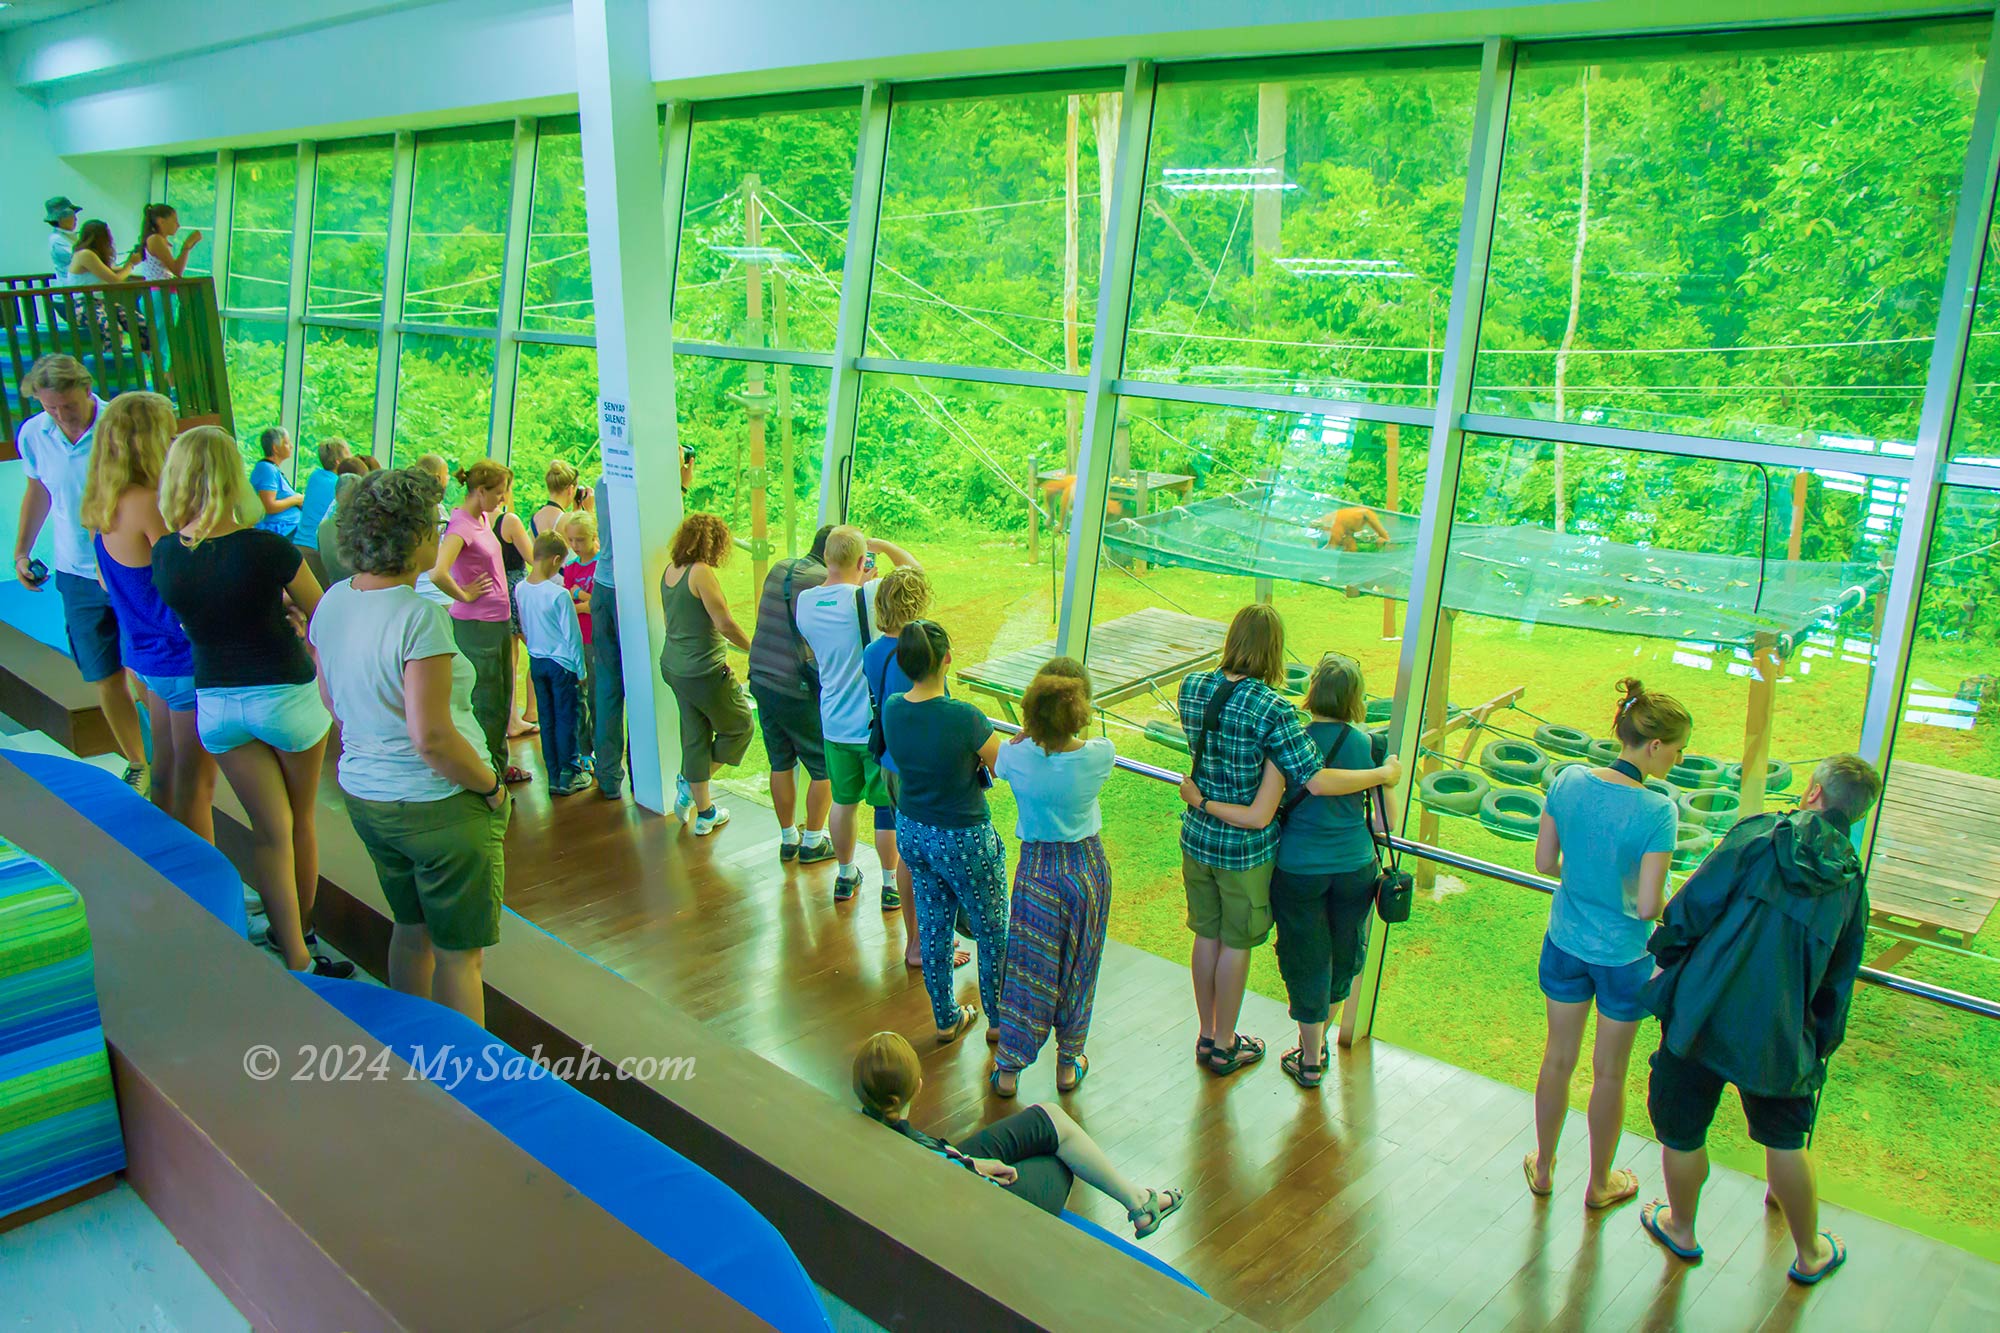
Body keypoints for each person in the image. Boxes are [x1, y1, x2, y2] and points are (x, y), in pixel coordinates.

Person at [1638, 755, 1879, 1286]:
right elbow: (1838, 982)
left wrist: (1668, 957)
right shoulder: (1851, 886)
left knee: (1681, 1128)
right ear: (1857, 815)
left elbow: (1692, 907)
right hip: (1781, 1034)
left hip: (1700, 1011)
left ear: (1813, 792)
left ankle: (1681, 1227)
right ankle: (1810, 1254)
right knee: (1786, 1141)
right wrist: (1816, 1047)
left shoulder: (1759, 835)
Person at [310, 468, 509, 1025]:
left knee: (410, 928)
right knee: (459, 959)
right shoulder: (419, 618)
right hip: (437, 804)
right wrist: (490, 786)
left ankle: (412, 1052)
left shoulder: (332, 603)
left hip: (367, 796)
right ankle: (466, 1082)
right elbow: (433, 737)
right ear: (414, 535)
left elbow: (333, 701)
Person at [151, 426, 346, 978]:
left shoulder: (166, 554)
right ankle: (302, 936)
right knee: (300, 824)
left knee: (268, 830)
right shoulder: (267, 548)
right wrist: (291, 607)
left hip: (216, 702)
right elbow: (325, 614)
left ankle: (295, 957)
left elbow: (208, 608)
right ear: (234, 477)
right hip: (284, 694)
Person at [1176, 605, 1388, 1077]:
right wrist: (1382, 773)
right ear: (1273, 650)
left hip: (1197, 839)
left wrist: (1202, 799)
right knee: (1236, 943)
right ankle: (1226, 1044)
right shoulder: (1273, 710)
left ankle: (1207, 1033)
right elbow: (1314, 778)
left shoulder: (1192, 686)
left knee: (1205, 935)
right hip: (1244, 851)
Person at [1524, 678, 1687, 1210]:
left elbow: (1545, 863)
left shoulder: (1568, 780)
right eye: (1678, 748)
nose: (1679, 760)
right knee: (1609, 1073)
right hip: (1625, 959)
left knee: (1557, 1060)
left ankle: (1544, 1168)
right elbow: (1646, 906)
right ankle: (1599, 1184)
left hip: (1565, 944)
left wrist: (1586, 877)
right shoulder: (1658, 811)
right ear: (1654, 745)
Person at [852, 1031, 1183, 1237]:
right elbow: (937, 1165)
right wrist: (971, 1169)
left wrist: (970, 1163)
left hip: (946, 1176)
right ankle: (1140, 1202)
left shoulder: (865, 1127)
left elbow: (935, 1156)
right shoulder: (916, 1152)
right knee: (1060, 1161)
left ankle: (1138, 1199)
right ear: (918, 1085)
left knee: (1048, 1119)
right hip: (972, 1215)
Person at [78, 391, 216, 842]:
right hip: (180, 657)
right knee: (196, 787)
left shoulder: (105, 501)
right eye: (169, 429)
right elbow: (185, 575)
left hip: (146, 656)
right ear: (149, 441)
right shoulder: (149, 502)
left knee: (165, 774)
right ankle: (200, 894)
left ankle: (167, 867)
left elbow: (106, 583)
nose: (175, 436)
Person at [12, 355, 149, 787]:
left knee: (148, 670)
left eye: (67, 407)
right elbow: (38, 490)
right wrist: (21, 552)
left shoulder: (121, 426)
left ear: (87, 391)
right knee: (102, 673)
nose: (59, 416)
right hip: (75, 572)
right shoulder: (35, 434)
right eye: (50, 408)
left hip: (130, 567)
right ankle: (139, 761)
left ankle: (174, 752)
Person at [990, 658, 1116, 1098]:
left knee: (1027, 967)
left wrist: (1024, 735)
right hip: (1087, 870)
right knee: (1081, 966)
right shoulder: (1101, 755)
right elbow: (1086, 743)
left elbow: (1004, 756)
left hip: (1038, 871)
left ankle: (1009, 1070)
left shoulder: (1015, 757)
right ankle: (1067, 1064)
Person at [881, 620, 1008, 1045]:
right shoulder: (965, 717)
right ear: (947, 659)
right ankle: (998, 1020)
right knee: (992, 929)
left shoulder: (893, 707)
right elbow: (1000, 765)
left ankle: (946, 1018)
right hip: (964, 838)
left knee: (934, 928)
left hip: (914, 831)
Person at [796, 525, 921, 900]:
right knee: (885, 809)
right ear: (861, 559)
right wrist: (880, 545)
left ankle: (845, 876)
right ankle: (889, 885)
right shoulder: (864, 597)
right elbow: (913, 573)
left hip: (832, 722)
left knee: (843, 802)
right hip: (871, 726)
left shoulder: (804, 601)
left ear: (826, 558)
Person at [431, 460, 529, 784]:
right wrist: (464, 594)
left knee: (502, 697)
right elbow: (438, 572)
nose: (502, 500)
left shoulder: (483, 518)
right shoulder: (459, 525)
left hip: (498, 621)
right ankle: (487, 777)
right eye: (498, 493)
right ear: (480, 491)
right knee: (485, 701)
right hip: (477, 626)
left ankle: (499, 766)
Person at [659, 513, 754, 833]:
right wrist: (754, 649)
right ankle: (689, 783)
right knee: (740, 726)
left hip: (674, 667)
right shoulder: (700, 573)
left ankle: (706, 813)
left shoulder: (670, 571)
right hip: (703, 670)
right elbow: (724, 622)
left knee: (695, 737)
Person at [746, 524, 836, 860]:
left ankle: (788, 838)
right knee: (824, 765)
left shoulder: (782, 567)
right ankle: (813, 840)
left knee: (780, 761)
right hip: (794, 685)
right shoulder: (820, 582)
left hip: (761, 676)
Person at [518, 531, 590, 796]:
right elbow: (573, 637)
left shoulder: (521, 588)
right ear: (556, 559)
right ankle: (570, 773)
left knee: (546, 719)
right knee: (566, 718)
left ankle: (553, 773)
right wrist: (580, 671)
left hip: (537, 660)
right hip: (562, 664)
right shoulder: (558, 595)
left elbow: (525, 625)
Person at [586, 467, 625, 800]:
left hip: (602, 584)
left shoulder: (604, 480)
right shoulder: (637, 479)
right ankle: (649, 778)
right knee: (641, 687)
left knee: (608, 685)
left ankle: (609, 775)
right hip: (627, 592)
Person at [57, 219, 149, 353]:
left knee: (141, 324)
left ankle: (142, 360)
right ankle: (112, 364)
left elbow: (113, 271)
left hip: (103, 303)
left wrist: (129, 262)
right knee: (112, 328)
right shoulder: (85, 254)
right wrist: (131, 265)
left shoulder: (93, 255)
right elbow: (115, 280)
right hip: (84, 304)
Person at [559, 510, 598, 773]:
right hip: (577, 638)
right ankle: (585, 750)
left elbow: (597, 605)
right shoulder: (571, 568)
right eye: (571, 540)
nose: (575, 546)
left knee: (597, 695)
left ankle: (600, 746)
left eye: (581, 540)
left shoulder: (601, 565)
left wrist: (580, 597)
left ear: (595, 536)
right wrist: (584, 601)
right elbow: (569, 605)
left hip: (597, 638)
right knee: (580, 693)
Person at [295, 436, 352, 580]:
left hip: (300, 544)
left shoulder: (315, 476)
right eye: (348, 453)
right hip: (317, 549)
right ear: (338, 461)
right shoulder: (338, 485)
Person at [316, 460, 371, 586]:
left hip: (332, 586)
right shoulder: (362, 528)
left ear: (336, 495)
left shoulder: (323, 527)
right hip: (358, 590)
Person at [250, 428, 304, 540]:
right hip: (282, 531)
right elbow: (269, 506)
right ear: (275, 448)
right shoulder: (266, 469)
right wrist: (296, 499)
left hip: (291, 528)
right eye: (287, 443)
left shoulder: (272, 469)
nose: (291, 446)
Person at [132, 203, 202, 281]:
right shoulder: (155, 239)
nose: (178, 225)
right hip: (158, 290)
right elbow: (177, 271)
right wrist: (186, 246)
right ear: (161, 221)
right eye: (174, 221)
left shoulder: (159, 240)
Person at [530, 460, 593, 538]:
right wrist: (589, 511)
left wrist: (576, 510)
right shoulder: (568, 520)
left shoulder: (535, 518)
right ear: (570, 489)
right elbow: (591, 545)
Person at [1313, 506, 1391, 552]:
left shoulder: (1334, 525)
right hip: (1351, 526)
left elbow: (1332, 544)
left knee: (1384, 537)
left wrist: (1316, 553)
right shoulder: (1332, 522)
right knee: (1348, 543)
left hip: (1365, 515)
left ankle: (1384, 540)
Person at [45, 196, 79, 275]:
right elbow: (81, 259)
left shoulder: (73, 236)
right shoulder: (57, 239)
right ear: (60, 219)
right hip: (70, 284)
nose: (75, 219)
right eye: (71, 216)